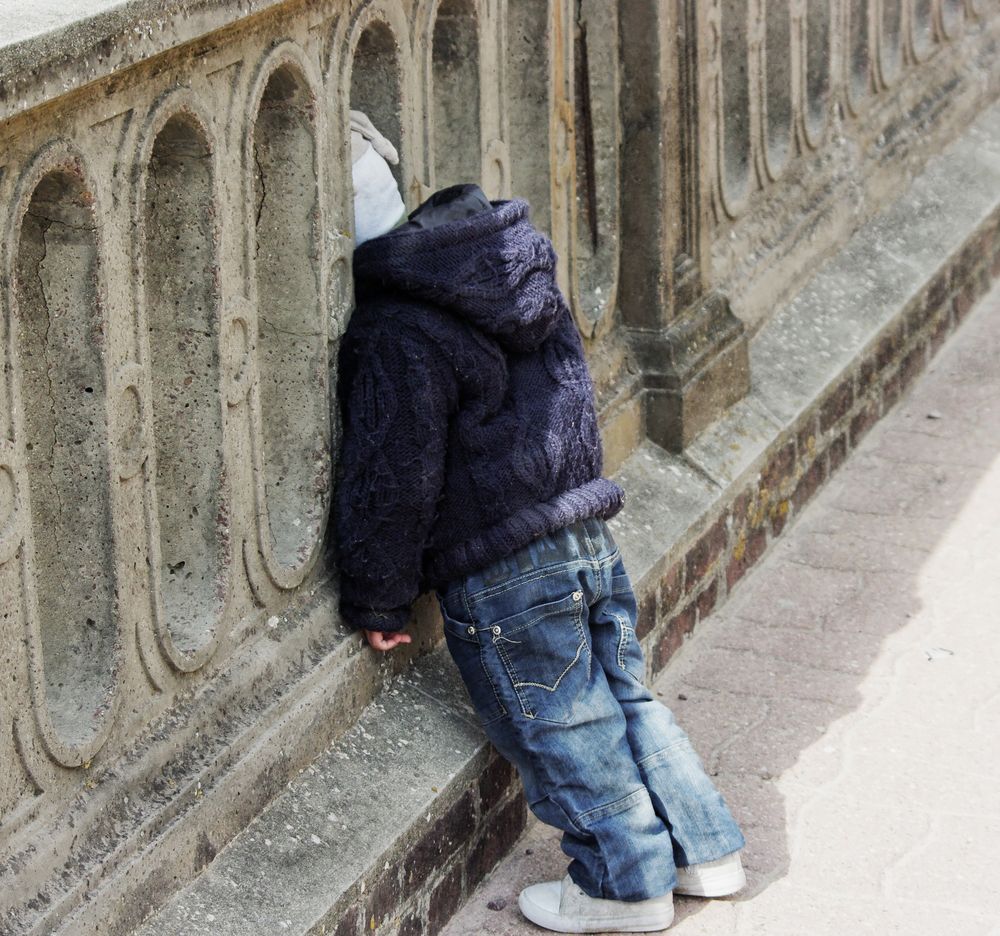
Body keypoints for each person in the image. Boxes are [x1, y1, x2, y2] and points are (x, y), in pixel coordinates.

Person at [335, 114, 746, 933]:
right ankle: (706, 850)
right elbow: (571, 397)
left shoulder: (395, 326)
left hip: (504, 563)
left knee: (564, 723)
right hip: (582, 530)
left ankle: (623, 884)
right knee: (628, 696)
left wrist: (379, 597)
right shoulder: (507, 272)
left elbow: (397, 469)